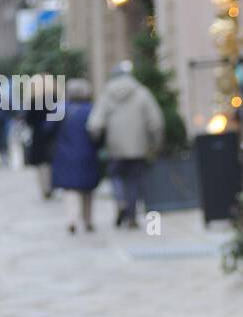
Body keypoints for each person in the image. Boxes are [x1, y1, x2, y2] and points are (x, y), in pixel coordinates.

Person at [87, 59, 164, 227]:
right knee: (134, 181)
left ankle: (121, 201)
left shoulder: (106, 95)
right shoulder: (142, 93)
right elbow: (156, 122)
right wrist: (155, 144)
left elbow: (95, 123)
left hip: (115, 147)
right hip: (138, 146)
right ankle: (131, 215)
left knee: (116, 177)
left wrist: (96, 140)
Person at [50, 76, 102, 233]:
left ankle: (71, 219)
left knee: (70, 189)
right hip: (87, 153)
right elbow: (99, 132)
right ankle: (88, 220)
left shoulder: (60, 109)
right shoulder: (91, 109)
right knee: (87, 189)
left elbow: (48, 129)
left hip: (65, 154)